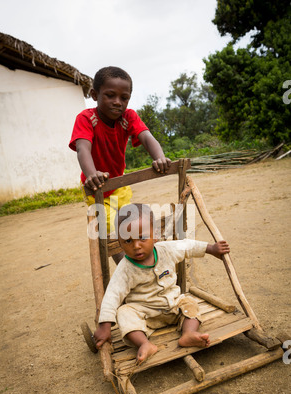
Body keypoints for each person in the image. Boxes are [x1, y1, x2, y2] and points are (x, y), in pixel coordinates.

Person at [94, 203, 230, 364]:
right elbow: (112, 295)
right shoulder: (125, 269)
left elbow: (187, 246)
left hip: (173, 305)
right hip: (144, 313)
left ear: (155, 234)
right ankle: (144, 344)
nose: (136, 246)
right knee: (124, 312)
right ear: (120, 243)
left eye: (142, 238)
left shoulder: (166, 249)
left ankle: (188, 333)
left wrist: (211, 248)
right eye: (128, 241)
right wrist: (105, 325)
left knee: (189, 302)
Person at [69, 66, 171, 262]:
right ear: (94, 94)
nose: (117, 102)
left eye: (124, 98)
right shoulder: (86, 118)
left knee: (128, 224)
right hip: (96, 188)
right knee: (109, 229)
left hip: (120, 185)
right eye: (110, 95)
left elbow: (147, 137)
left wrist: (160, 157)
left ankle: (144, 265)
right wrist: (92, 174)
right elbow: (83, 148)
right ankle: (127, 269)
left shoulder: (128, 117)